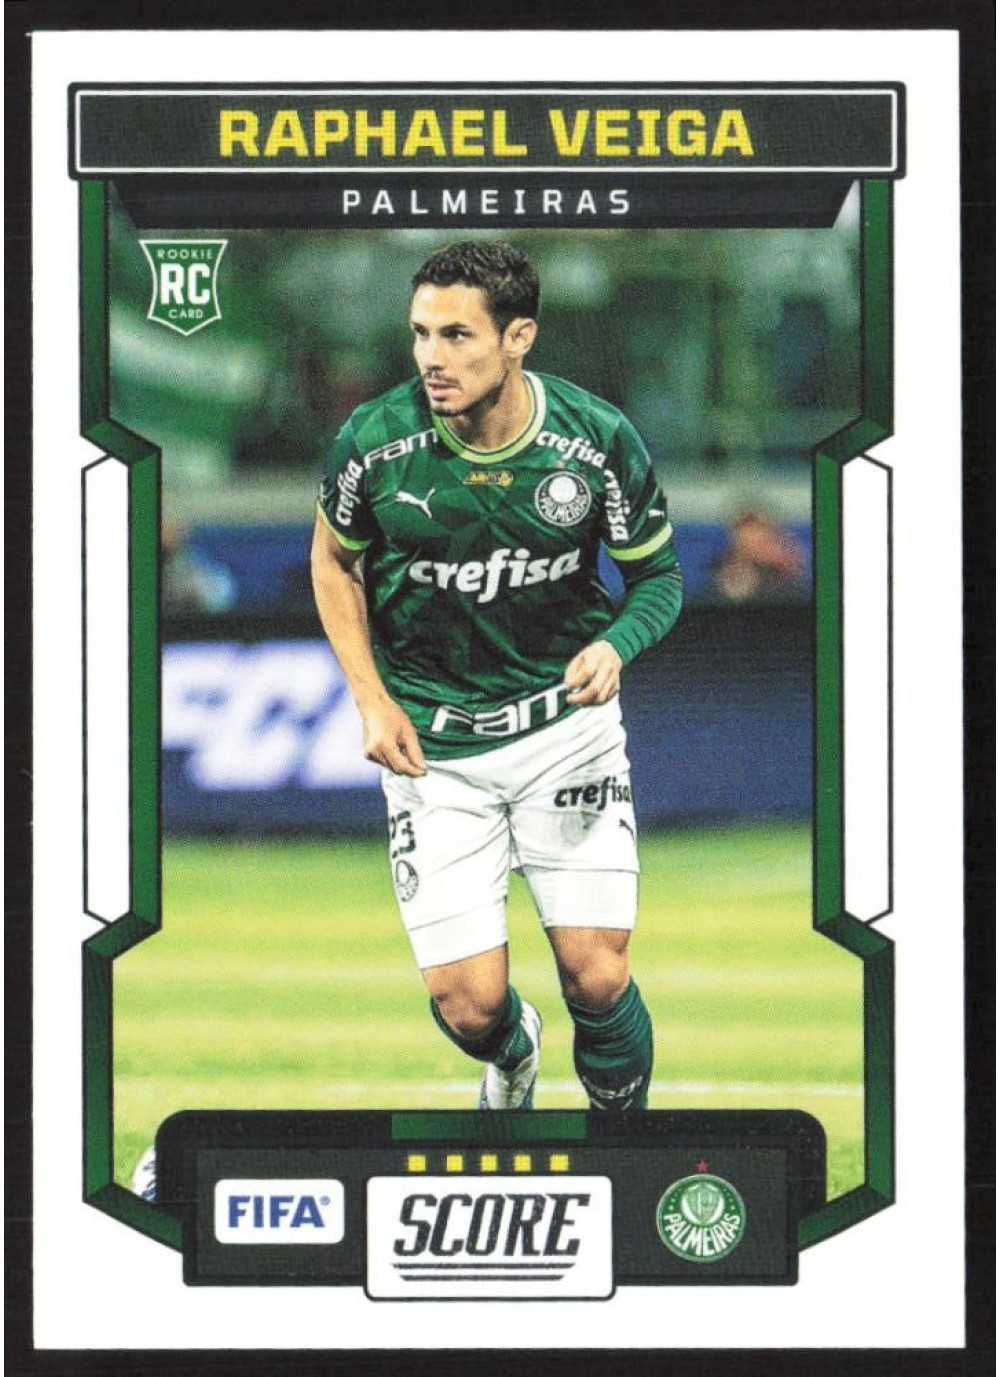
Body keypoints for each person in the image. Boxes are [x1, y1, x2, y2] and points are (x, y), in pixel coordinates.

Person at [311, 241, 682, 1112]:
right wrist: (370, 697)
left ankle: (623, 1151)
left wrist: (616, 643)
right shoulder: (375, 442)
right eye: (420, 334)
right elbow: (333, 561)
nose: (431, 358)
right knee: (469, 1006)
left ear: (519, 337)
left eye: (457, 335)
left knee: (598, 975)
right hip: (434, 747)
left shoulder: (595, 441)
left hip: (563, 733)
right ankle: (513, 1053)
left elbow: (658, 577)